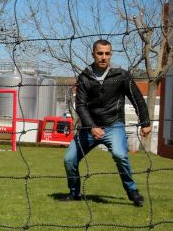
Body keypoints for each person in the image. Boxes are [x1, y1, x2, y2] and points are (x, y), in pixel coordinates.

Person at [62, 39, 151, 206]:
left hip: (114, 125)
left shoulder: (121, 75)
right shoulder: (85, 76)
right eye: (100, 53)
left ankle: (132, 191)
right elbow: (80, 105)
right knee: (69, 159)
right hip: (89, 128)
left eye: (107, 53)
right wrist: (91, 127)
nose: (104, 57)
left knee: (120, 154)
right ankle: (74, 193)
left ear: (111, 54)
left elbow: (137, 99)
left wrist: (145, 122)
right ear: (93, 54)